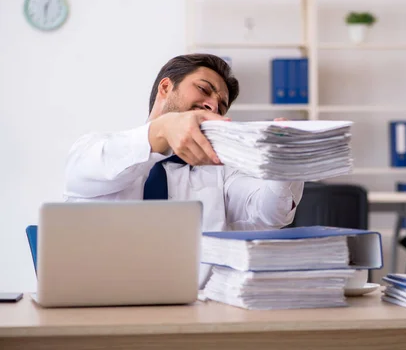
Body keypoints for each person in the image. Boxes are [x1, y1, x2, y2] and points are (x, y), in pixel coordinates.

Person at [63, 53, 304, 287]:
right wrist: (165, 128)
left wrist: (283, 162)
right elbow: (94, 169)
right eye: (204, 89)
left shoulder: (221, 172)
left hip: (196, 313)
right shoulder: (95, 149)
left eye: (221, 106)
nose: (212, 105)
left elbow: (270, 213)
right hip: (102, 310)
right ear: (165, 88)